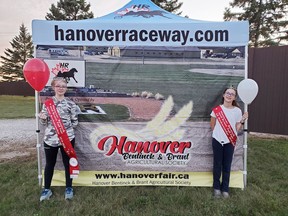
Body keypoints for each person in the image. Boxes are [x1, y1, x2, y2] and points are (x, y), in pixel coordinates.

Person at [38, 77, 79, 201]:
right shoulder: (47, 103)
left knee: (68, 164)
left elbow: (75, 122)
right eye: (58, 86)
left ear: (66, 88)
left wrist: (64, 130)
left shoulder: (71, 104)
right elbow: (43, 122)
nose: (61, 88)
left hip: (67, 138)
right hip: (50, 139)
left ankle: (69, 188)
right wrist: (43, 118)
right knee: (50, 164)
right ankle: (46, 189)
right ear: (53, 87)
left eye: (63, 86)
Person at [210, 86, 248, 198]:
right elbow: (212, 125)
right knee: (217, 164)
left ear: (234, 98)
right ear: (223, 95)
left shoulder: (237, 111)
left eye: (232, 94)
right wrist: (219, 134)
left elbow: (238, 128)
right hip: (217, 140)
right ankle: (216, 188)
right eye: (227, 93)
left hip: (230, 142)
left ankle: (225, 189)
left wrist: (243, 119)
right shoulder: (216, 110)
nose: (229, 95)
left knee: (227, 165)